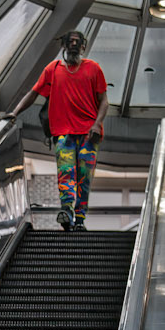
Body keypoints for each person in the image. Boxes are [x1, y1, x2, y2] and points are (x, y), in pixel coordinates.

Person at [32, 31, 107, 232]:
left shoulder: (93, 69)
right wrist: (13, 113)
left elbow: (104, 102)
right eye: (70, 41)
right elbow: (33, 94)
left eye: (77, 42)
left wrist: (96, 124)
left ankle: (80, 217)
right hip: (63, 133)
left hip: (89, 134)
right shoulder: (53, 69)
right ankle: (67, 211)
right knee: (66, 173)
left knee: (84, 175)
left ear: (83, 46)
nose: (73, 45)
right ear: (64, 46)